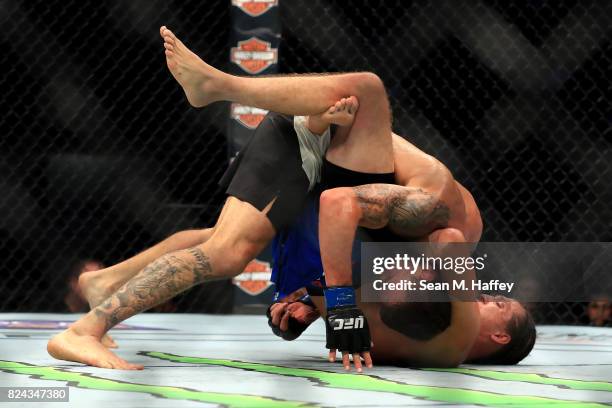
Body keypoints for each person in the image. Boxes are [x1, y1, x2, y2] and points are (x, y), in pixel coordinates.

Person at [47, 26, 395, 370]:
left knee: (218, 239)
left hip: (314, 160)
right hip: (302, 147)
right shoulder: (423, 210)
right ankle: (84, 331)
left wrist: (321, 304)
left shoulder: (383, 249)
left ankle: (104, 282)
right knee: (226, 252)